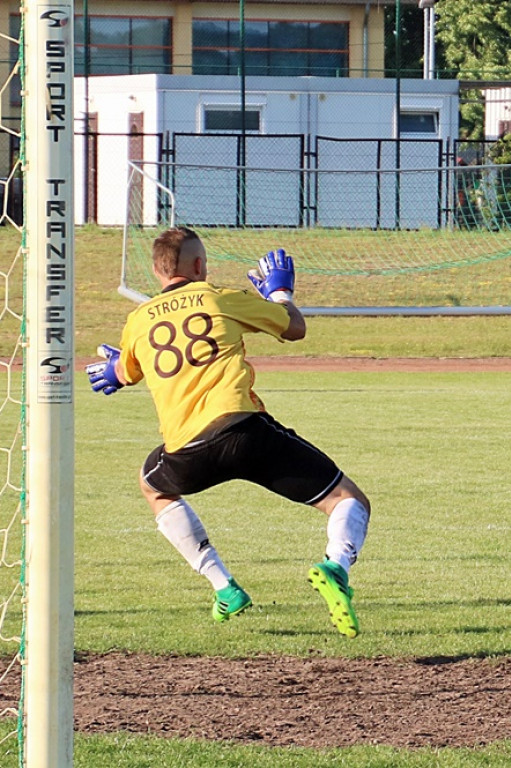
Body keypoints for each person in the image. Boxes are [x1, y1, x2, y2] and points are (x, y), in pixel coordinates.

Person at [85, 227, 370, 636]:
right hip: (243, 432)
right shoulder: (217, 297)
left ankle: (225, 588)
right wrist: (279, 294)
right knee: (349, 501)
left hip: (187, 452)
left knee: (153, 485)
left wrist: (114, 369)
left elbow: (123, 372)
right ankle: (336, 567)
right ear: (199, 265)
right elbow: (294, 327)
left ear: (156, 270)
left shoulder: (137, 321)